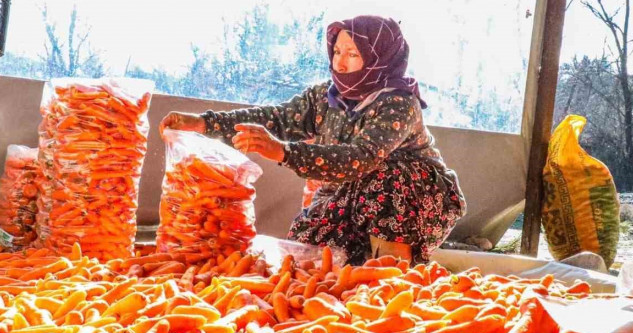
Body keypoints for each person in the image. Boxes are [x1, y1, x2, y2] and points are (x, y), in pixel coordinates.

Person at [160, 15, 465, 265]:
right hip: (349, 192)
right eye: (337, 51)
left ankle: (395, 279)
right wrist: (203, 122)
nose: (340, 63)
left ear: (379, 58)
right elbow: (276, 118)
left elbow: (359, 158)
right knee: (309, 251)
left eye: (353, 54)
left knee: (386, 177)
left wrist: (283, 152)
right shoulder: (325, 97)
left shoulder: (397, 102)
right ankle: (356, 285)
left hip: (416, 196)